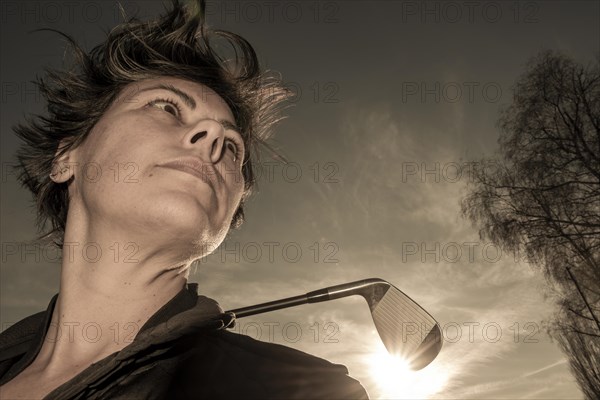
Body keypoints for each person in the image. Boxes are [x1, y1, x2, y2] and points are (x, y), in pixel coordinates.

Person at [0, 1, 369, 399]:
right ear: (65, 157)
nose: (211, 135)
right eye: (166, 107)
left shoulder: (307, 391)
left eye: (231, 147)